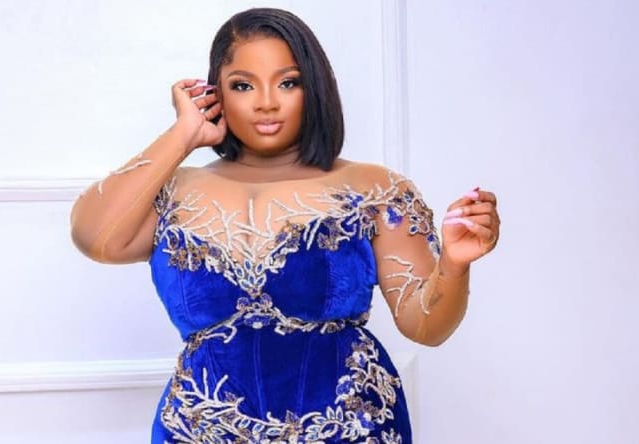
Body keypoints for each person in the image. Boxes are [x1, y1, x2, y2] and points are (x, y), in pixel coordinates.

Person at [70, 7, 499, 443]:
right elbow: (94, 238)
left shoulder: (373, 189)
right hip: (201, 431)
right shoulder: (175, 191)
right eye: (242, 85)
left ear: (314, 87)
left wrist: (454, 263)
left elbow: (425, 327)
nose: (266, 102)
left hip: (348, 427)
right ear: (216, 93)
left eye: (288, 82)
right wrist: (183, 133)